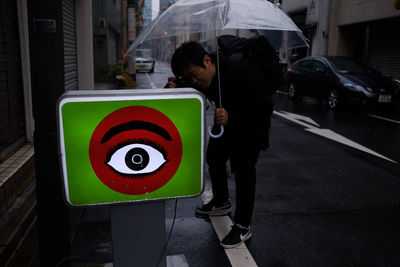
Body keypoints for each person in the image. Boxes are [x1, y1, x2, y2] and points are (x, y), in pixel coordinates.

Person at [166, 40, 274, 249]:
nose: (195, 81)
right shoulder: (201, 77)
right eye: (189, 78)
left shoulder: (241, 70)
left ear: (207, 60)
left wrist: (232, 116)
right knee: (214, 156)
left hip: (251, 124)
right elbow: (189, 85)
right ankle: (222, 201)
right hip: (225, 120)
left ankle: (243, 225)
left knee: (243, 169)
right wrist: (173, 85)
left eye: (195, 75)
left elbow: (265, 107)